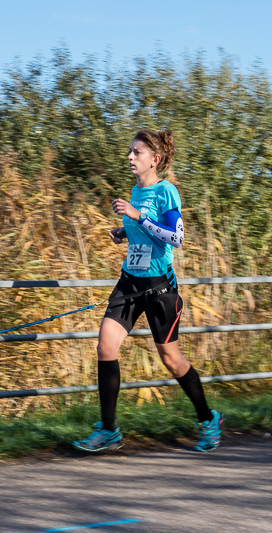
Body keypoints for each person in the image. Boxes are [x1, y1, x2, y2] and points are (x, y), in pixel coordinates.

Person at [73, 128, 224, 453]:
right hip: (130, 282)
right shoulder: (135, 191)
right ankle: (109, 430)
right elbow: (146, 232)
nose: (130, 156)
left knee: (171, 359)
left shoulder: (166, 191)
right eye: (130, 151)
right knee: (105, 346)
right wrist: (124, 232)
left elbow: (176, 238)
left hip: (159, 288)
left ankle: (208, 418)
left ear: (154, 159)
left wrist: (136, 216)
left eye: (137, 152)